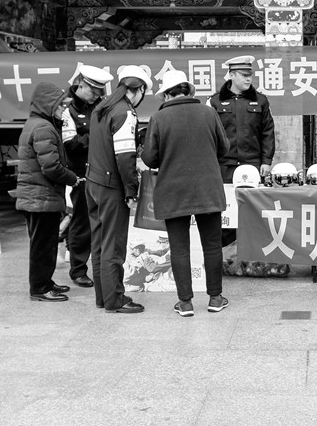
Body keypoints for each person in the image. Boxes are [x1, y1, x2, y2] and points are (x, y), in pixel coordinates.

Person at [141, 69, 231, 317]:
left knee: (179, 248)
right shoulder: (209, 113)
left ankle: (185, 303)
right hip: (208, 188)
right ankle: (215, 298)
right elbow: (224, 148)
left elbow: (150, 158)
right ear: (188, 91)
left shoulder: (158, 118)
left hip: (173, 191)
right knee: (212, 246)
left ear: (167, 95)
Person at [208, 55, 286, 278]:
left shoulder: (260, 101)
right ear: (231, 75)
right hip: (224, 166)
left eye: (250, 75)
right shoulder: (215, 102)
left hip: (252, 166)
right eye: (243, 75)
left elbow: (268, 132)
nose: (248, 79)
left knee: (252, 211)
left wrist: (266, 162)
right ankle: (226, 260)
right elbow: (210, 135)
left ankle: (251, 259)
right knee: (226, 213)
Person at [86, 65, 152, 314]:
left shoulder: (101, 109)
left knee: (99, 244)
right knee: (113, 245)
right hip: (111, 186)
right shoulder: (125, 112)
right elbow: (125, 157)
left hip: (93, 183)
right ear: (139, 89)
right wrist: (131, 191)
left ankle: (103, 297)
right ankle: (115, 299)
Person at [16, 82, 82, 302]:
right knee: (42, 245)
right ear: (48, 105)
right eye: (60, 105)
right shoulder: (43, 128)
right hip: (40, 198)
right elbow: (51, 167)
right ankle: (40, 288)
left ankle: (46, 281)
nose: (64, 109)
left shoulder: (37, 124)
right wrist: (73, 178)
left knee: (46, 242)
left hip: (39, 196)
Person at [60, 64, 114, 288]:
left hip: (103, 173)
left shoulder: (102, 106)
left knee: (104, 223)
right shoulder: (67, 109)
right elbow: (70, 143)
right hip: (80, 175)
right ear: (81, 86)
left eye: (100, 93)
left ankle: (104, 268)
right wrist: (100, 137)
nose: (96, 96)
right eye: (93, 92)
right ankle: (78, 270)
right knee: (81, 223)